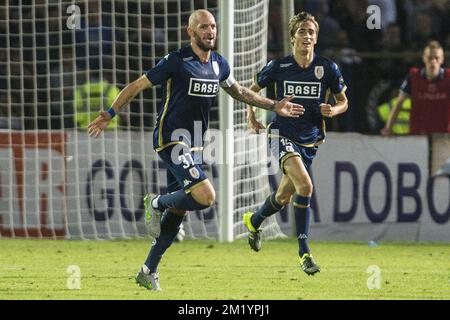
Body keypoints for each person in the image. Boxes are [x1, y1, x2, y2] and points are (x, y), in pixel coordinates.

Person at [87, 9, 304, 291]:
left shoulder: (218, 64)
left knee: (177, 215)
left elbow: (239, 91)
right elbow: (137, 85)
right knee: (205, 196)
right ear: (190, 32)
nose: (210, 31)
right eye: (203, 27)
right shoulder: (176, 61)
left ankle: (147, 270)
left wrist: (273, 105)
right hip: (171, 139)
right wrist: (110, 112)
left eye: (213, 26)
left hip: (196, 144)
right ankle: (155, 202)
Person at [244, 11, 348, 276]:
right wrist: (252, 117)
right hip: (281, 134)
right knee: (305, 185)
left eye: (311, 32)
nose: (307, 36)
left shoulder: (328, 68)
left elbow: (343, 101)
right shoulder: (279, 67)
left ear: (316, 38)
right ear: (292, 38)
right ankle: (304, 253)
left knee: (283, 195)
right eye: (302, 31)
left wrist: (333, 111)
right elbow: (251, 91)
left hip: (310, 140)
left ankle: (254, 221)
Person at [381, 41, 450, 136]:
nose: (433, 61)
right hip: (418, 134)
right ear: (424, 58)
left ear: (442, 60)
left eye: (437, 58)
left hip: (442, 135)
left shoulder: (448, 78)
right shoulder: (413, 77)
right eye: (430, 58)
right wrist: (388, 128)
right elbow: (399, 103)